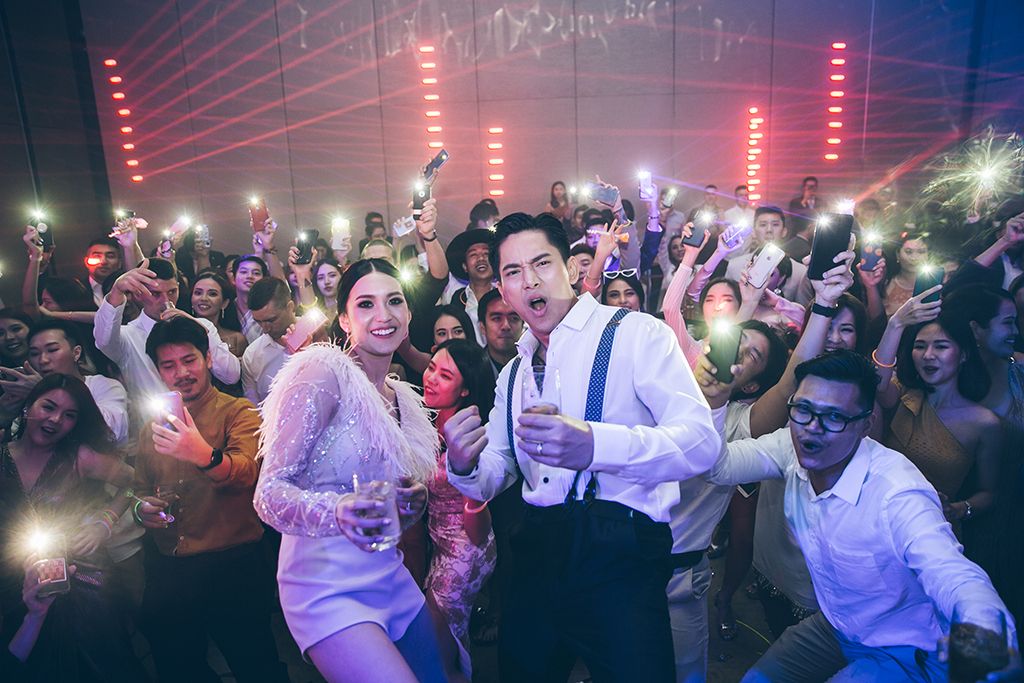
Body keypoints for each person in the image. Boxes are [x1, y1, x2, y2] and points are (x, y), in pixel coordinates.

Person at [442, 212, 720, 681]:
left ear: (571, 268)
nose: (530, 281)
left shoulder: (636, 333)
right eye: (514, 272)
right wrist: (464, 463)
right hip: (536, 551)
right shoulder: (513, 373)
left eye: (542, 263)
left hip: (621, 555)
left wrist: (595, 445)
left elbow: (701, 443)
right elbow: (498, 469)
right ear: (503, 290)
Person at [700, 350, 1015, 682]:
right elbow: (719, 468)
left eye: (834, 417)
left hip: (903, 648)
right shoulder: (789, 446)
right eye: (803, 409)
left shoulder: (897, 492)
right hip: (836, 625)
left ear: (866, 425)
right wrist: (716, 403)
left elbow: (949, 570)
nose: (812, 429)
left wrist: (985, 629)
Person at [255, 258, 446, 683]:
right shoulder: (321, 373)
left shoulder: (403, 399)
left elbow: (389, 510)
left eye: (394, 301)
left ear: (408, 315)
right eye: (365, 304)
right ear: (344, 319)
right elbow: (268, 495)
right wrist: (339, 510)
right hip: (324, 586)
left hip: (388, 572)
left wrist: (409, 503)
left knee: (443, 675)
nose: (383, 315)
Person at [132, 316, 288, 683]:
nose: (181, 373)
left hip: (232, 563)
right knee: (178, 667)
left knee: (256, 664)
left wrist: (201, 454)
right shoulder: (153, 426)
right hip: (171, 566)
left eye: (189, 360)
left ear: (208, 359)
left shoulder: (238, 411)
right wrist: (141, 509)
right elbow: (138, 488)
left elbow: (248, 473)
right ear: (158, 372)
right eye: (169, 366)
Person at [0, 374, 145, 682]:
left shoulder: (79, 456)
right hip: (16, 579)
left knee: (101, 667)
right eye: (48, 407)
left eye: (69, 415)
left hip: (83, 578)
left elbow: (135, 482)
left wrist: (105, 522)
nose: (55, 419)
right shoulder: (2, 456)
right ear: (28, 406)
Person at [667, 320, 788, 681]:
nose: (738, 350)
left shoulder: (736, 423)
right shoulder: (661, 385)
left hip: (680, 574)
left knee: (685, 671)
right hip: (622, 558)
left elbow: (787, 385)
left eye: (752, 354)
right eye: (738, 339)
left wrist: (824, 308)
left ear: (750, 385)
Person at [873, 304, 1001, 538]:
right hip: (879, 517)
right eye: (920, 346)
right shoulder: (903, 393)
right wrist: (895, 325)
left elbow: (988, 494)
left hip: (933, 529)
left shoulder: (985, 423)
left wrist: (959, 509)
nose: (928, 355)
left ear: (963, 354)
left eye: (941, 346)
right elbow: (876, 384)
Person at [422, 339, 497, 680]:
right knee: (447, 639)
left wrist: (473, 496)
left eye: (445, 375)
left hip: (465, 547)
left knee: (438, 644)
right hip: (438, 543)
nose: (431, 378)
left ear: (465, 390)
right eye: (431, 368)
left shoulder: (470, 437)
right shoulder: (427, 423)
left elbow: (478, 526)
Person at [93, 257, 240, 416]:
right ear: (138, 294)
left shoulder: (202, 326)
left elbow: (231, 375)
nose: (166, 300)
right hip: (154, 423)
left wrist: (196, 327)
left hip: (206, 418)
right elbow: (103, 340)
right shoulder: (128, 336)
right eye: (156, 294)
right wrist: (116, 291)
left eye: (172, 292)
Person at [24, 320, 129, 444]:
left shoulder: (105, 386)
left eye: (52, 350)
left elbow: (112, 431)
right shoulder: (27, 390)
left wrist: (47, 392)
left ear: (76, 352)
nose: (43, 360)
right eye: (34, 353)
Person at [241, 277, 297, 405]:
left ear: (290, 307)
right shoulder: (252, 355)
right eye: (258, 322)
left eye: (271, 320)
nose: (265, 329)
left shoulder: (315, 333)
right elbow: (253, 407)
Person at [445, 229, 496, 346]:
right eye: (473, 255)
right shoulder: (456, 298)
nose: (481, 258)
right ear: (465, 267)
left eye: (486, 254)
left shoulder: (506, 296)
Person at [190, 272, 248, 357]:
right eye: (198, 293)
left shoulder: (236, 340)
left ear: (224, 303)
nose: (203, 298)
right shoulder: (181, 335)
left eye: (212, 294)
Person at [476, 288, 523, 379]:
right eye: (497, 319)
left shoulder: (535, 365)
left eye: (514, 318)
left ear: (522, 325)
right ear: (482, 327)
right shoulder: (472, 370)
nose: (506, 326)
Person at [883, 230, 930, 317]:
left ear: (928, 255)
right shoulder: (885, 283)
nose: (914, 258)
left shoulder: (936, 284)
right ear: (898, 254)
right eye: (908, 252)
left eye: (921, 252)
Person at [229, 255, 269, 343]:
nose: (250, 276)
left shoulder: (269, 309)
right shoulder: (226, 308)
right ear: (233, 279)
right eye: (243, 272)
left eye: (256, 273)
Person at [83, 237, 124, 307]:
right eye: (97, 256)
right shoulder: (75, 290)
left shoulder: (126, 290)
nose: (103, 262)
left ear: (119, 263)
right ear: (86, 262)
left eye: (110, 256)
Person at [785, 176, 819, 257]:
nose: (811, 189)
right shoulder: (795, 202)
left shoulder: (822, 203)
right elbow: (794, 218)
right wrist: (804, 201)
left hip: (816, 237)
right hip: (799, 236)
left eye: (813, 187)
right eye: (808, 186)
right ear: (803, 188)